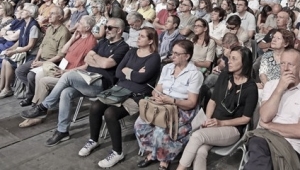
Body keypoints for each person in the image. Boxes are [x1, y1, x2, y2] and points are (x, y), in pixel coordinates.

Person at [21, 18, 129, 147]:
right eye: (106, 27)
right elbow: (89, 57)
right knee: (66, 92)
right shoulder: (103, 42)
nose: (106, 30)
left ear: (120, 30)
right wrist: (98, 60)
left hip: (101, 83)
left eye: (110, 28)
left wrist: (97, 59)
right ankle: (62, 131)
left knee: (69, 75)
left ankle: (43, 107)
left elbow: (106, 64)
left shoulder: (123, 47)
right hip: (86, 78)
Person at [78, 28, 161, 168]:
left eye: (142, 36)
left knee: (110, 113)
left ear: (151, 41)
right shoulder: (132, 51)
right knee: (95, 106)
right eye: (139, 35)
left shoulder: (154, 57)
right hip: (119, 90)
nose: (138, 38)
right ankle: (93, 139)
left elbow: (143, 78)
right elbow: (118, 72)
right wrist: (133, 73)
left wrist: (128, 71)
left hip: (138, 96)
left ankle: (117, 152)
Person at [176, 46, 258, 170]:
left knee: (197, 136)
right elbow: (213, 101)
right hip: (213, 124)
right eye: (229, 57)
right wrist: (207, 119)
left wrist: (220, 123)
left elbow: (245, 119)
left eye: (234, 59)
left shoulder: (250, 88)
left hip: (232, 129)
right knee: (200, 150)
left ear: (244, 62)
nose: (229, 61)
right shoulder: (224, 75)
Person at [134, 40, 203, 170]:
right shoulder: (167, 68)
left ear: (187, 56)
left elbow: (191, 103)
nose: (173, 56)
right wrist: (156, 96)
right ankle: (151, 153)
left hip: (181, 108)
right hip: (162, 105)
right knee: (140, 124)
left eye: (177, 54)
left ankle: (164, 160)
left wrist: (172, 101)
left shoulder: (195, 74)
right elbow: (157, 89)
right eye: (172, 53)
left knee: (161, 131)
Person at [18, 15, 97, 127]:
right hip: (62, 68)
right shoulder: (78, 36)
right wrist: (73, 38)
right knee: (38, 75)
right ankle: (38, 108)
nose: (77, 24)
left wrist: (65, 72)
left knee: (43, 81)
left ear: (87, 27)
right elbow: (64, 50)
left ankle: (38, 114)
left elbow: (87, 66)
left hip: (72, 74)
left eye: (80, 23)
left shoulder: (91, 42)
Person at [244, 48, 300, 170]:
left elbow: (298, 131)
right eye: (282, 63)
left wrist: (269, 126)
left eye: (290, 64)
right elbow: (265, 116)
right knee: (257, 144)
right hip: (264, 139)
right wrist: (280, 88)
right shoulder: (271, 85)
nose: (285, 68)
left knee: (258, 153)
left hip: (290, 146)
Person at [16, 6, 71, 107]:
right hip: (40, 59)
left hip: (52, 62)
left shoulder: (64, 32)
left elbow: (60, 55)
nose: (49, 15)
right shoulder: (49, 28)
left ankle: (31, 97)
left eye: (52, 13)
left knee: (31, 75)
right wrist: (36, 59)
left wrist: (43, 63)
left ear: (60, 17)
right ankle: (35, 93)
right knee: (20, 70)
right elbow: (42, 46)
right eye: (49, 13)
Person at [0, 3, 41, 99]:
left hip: (31, 54)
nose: (21, 12)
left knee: (9, 62)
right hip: (23, 52)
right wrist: (10, 49)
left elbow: (30, 45)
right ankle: (2, 87)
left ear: (30, 13)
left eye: (25, 10)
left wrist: (14, 52)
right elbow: (19, 41)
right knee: (6, 59)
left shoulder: (33, 26)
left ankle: (7, 88)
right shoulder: (25, 24)